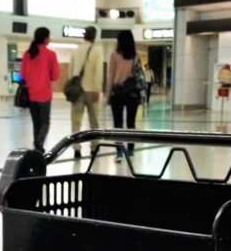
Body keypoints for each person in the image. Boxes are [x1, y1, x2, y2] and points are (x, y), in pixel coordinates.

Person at [106, 29, 146, 161]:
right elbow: (139, 76)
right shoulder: (136, 57)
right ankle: (130, 151)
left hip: (117, 93)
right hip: (132, 93)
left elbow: (110, 76)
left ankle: (119, 152)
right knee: (131, 123)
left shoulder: (114, 56)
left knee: (117, 124)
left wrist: (108, 95)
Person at [20, 26, 60, 153]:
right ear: (45, 38)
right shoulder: (51, 54)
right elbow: (55, 76)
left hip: (31, 94)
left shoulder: (27, 54)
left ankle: (37, 148)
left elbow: (22, 74)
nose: (50, 39)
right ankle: (39, 142)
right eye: (49, 36)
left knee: (36, 123)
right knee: (45, 123)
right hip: (44, 94)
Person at [68, 25, 103, 159]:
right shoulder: (97, 51)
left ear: (84, 36)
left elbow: (71, 72)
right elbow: (98, 71)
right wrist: (97, 89)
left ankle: (76, 148)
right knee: (94, 121)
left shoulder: (75, 51)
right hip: (91, 90)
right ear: (94, 37)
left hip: (76, 91)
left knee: (76, 121)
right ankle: (94, 147)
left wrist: (71, 89)